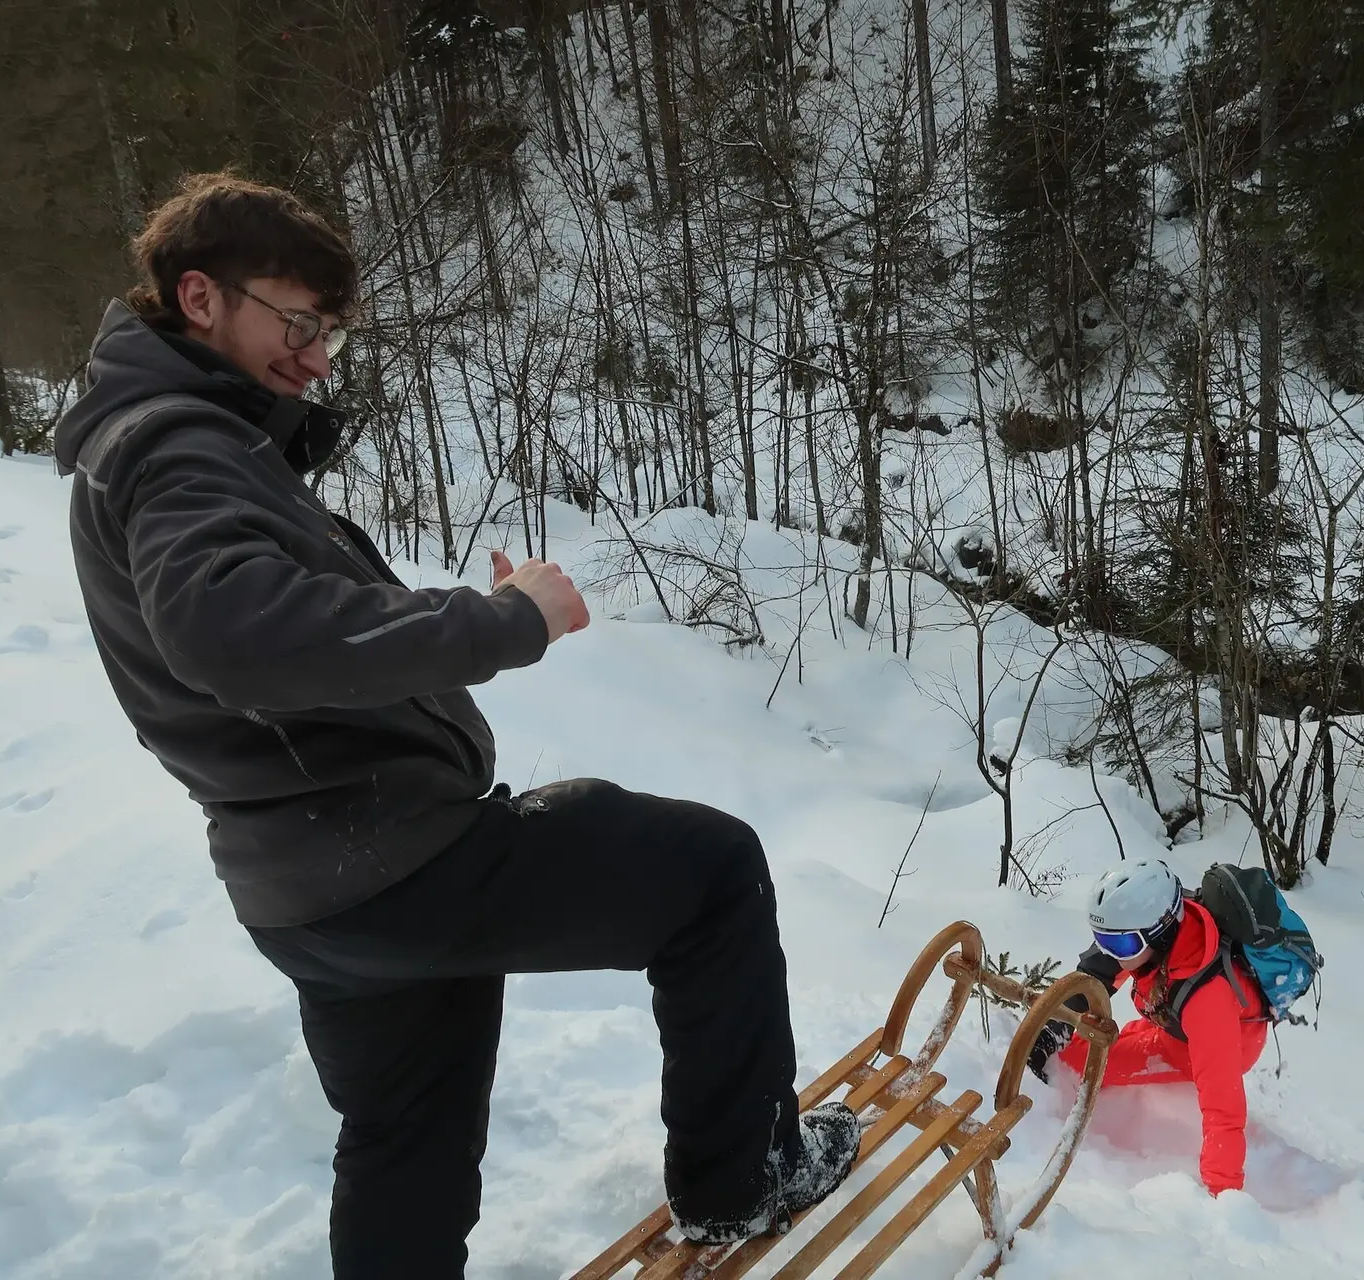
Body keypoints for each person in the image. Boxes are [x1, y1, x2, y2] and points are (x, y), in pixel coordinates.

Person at [52, 172, 858, 1278]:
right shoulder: (178, 447)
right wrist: (502, 620)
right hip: (391, 856)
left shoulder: (172, 440)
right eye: (297, 324)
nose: (318, 356)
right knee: (714, 871)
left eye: (328, 331)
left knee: (406, 1135)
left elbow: (278, 625)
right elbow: (230, 631)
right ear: (200, 297)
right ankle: (741, 1176)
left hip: (311, 884)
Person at [1028, 858, 1269, 1197]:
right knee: (1100, 1039)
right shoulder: (1158, 936)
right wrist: (1054, 1026)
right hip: (1171, 1016)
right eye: (1102, 939)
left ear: (1161, 932)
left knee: (1081, 1060)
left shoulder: (1207, 1000)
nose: (1112, 953)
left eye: (1122, 945)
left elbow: (1223, 1108)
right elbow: (1095, 974)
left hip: (1212, 1041)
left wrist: (1223, 1193)